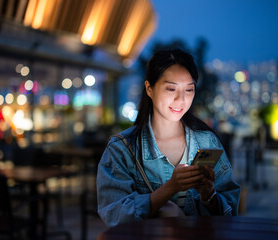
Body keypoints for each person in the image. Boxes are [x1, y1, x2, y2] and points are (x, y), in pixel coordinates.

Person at [96, 49, 241, 227]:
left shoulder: (207, 141)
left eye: (189, 89)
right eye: (171, 88)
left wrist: (208, 195)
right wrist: (170, 188)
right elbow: (113, 215)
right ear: (149, 89)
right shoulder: (122, 149)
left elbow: (231, 213)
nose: (181, 99)